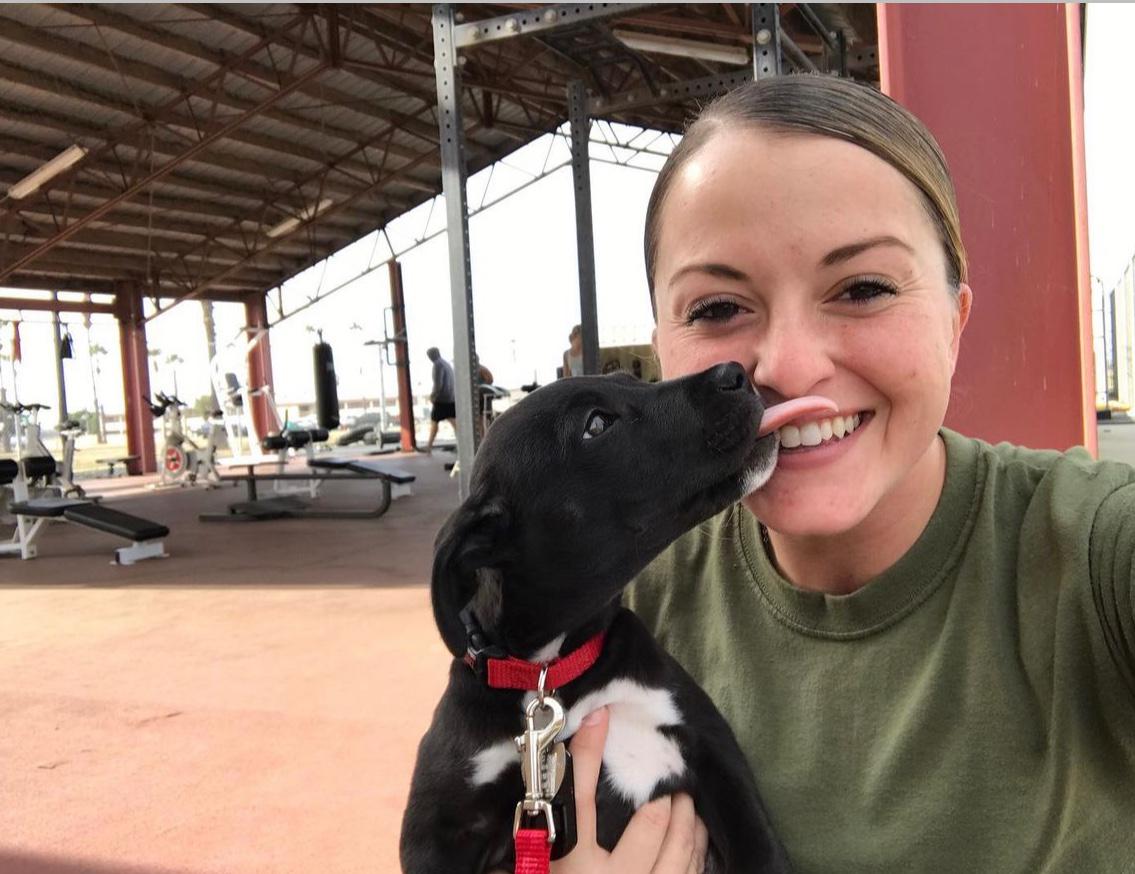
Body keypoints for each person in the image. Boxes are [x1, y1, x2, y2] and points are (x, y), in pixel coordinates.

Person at [554, 75, 1135, 873]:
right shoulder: (621, 598)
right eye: (717, 308)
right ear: (662, 345)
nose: (789, 368)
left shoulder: (1093, 557)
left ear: (955, 320)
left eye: (862, 289)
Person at [423, 347, 455, 455]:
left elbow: (438, 384)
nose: (429, 357)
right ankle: (463, 443)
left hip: (441, 399)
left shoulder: (437, 365)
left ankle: (429, 447)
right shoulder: (446, 364)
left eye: (429, 355)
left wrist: (433, 396)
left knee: (434, 422)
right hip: (450, 398)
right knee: (453, 421)